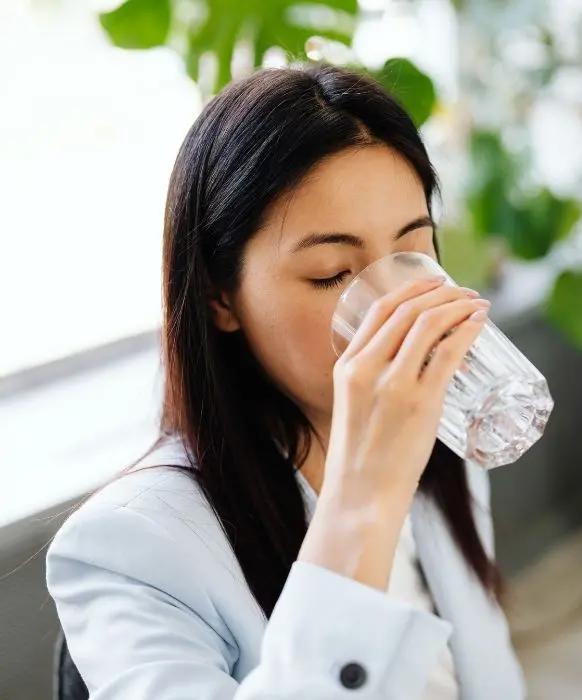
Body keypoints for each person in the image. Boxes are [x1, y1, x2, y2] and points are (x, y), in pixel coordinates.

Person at [46, 64, 526, 699]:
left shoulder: (445, 448)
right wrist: (364, 497)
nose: (393, 306)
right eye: (332, 274)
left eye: (415, 249)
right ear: (221, 297)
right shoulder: (130, 548)